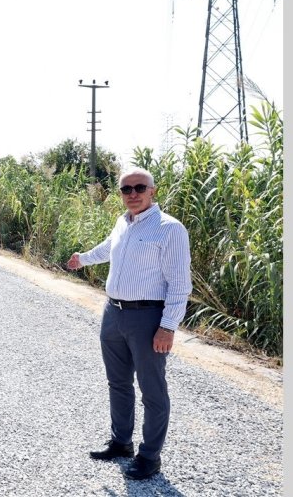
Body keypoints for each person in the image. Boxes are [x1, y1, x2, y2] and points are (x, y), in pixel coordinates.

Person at [67, 167, 191, 481]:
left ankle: (149, 456)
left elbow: (179, 283)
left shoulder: (169, 229)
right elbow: (109, 248)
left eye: (139, 187)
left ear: (153, 191)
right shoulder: (123, 222)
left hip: (147, 318)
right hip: (113, 313)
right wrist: (82, 259)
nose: (132, 194)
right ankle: (121, 442)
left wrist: (168, 325)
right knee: (118, 383)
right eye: (126, 189)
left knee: (152, 390)